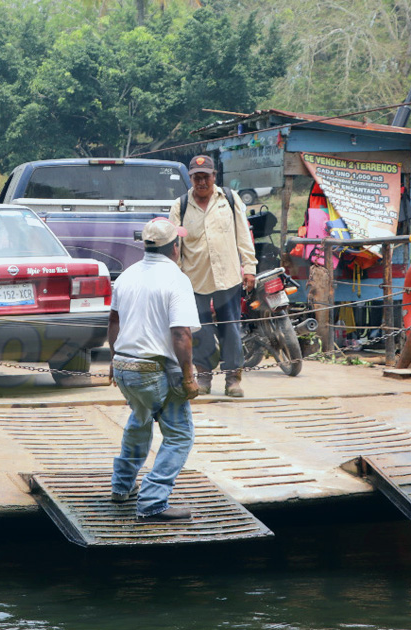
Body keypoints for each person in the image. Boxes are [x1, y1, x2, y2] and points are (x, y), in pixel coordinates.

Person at [108, 217, 201, 522]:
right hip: (152, 372)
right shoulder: (176, 279)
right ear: (175, 247)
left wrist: (113, 360)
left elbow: (114, 324)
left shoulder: (127, 275)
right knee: (179, 435)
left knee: (140, 419)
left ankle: (122, 487)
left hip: (123, 366)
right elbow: (181, 335)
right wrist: (188, 378)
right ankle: (152, 501)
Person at [170, 155, 256, 398]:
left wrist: (249, 267)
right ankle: (204, 376)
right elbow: (174, 244)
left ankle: (233, 380)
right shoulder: (181, 205)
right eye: (196, 177)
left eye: (205, 176)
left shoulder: (229, 199)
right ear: (190, 178)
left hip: (228, 277)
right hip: (194, 280)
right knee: (200, 330)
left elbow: (243, 236)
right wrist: (174, 275)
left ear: (214, 176)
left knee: (230, 328)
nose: (201, 182)